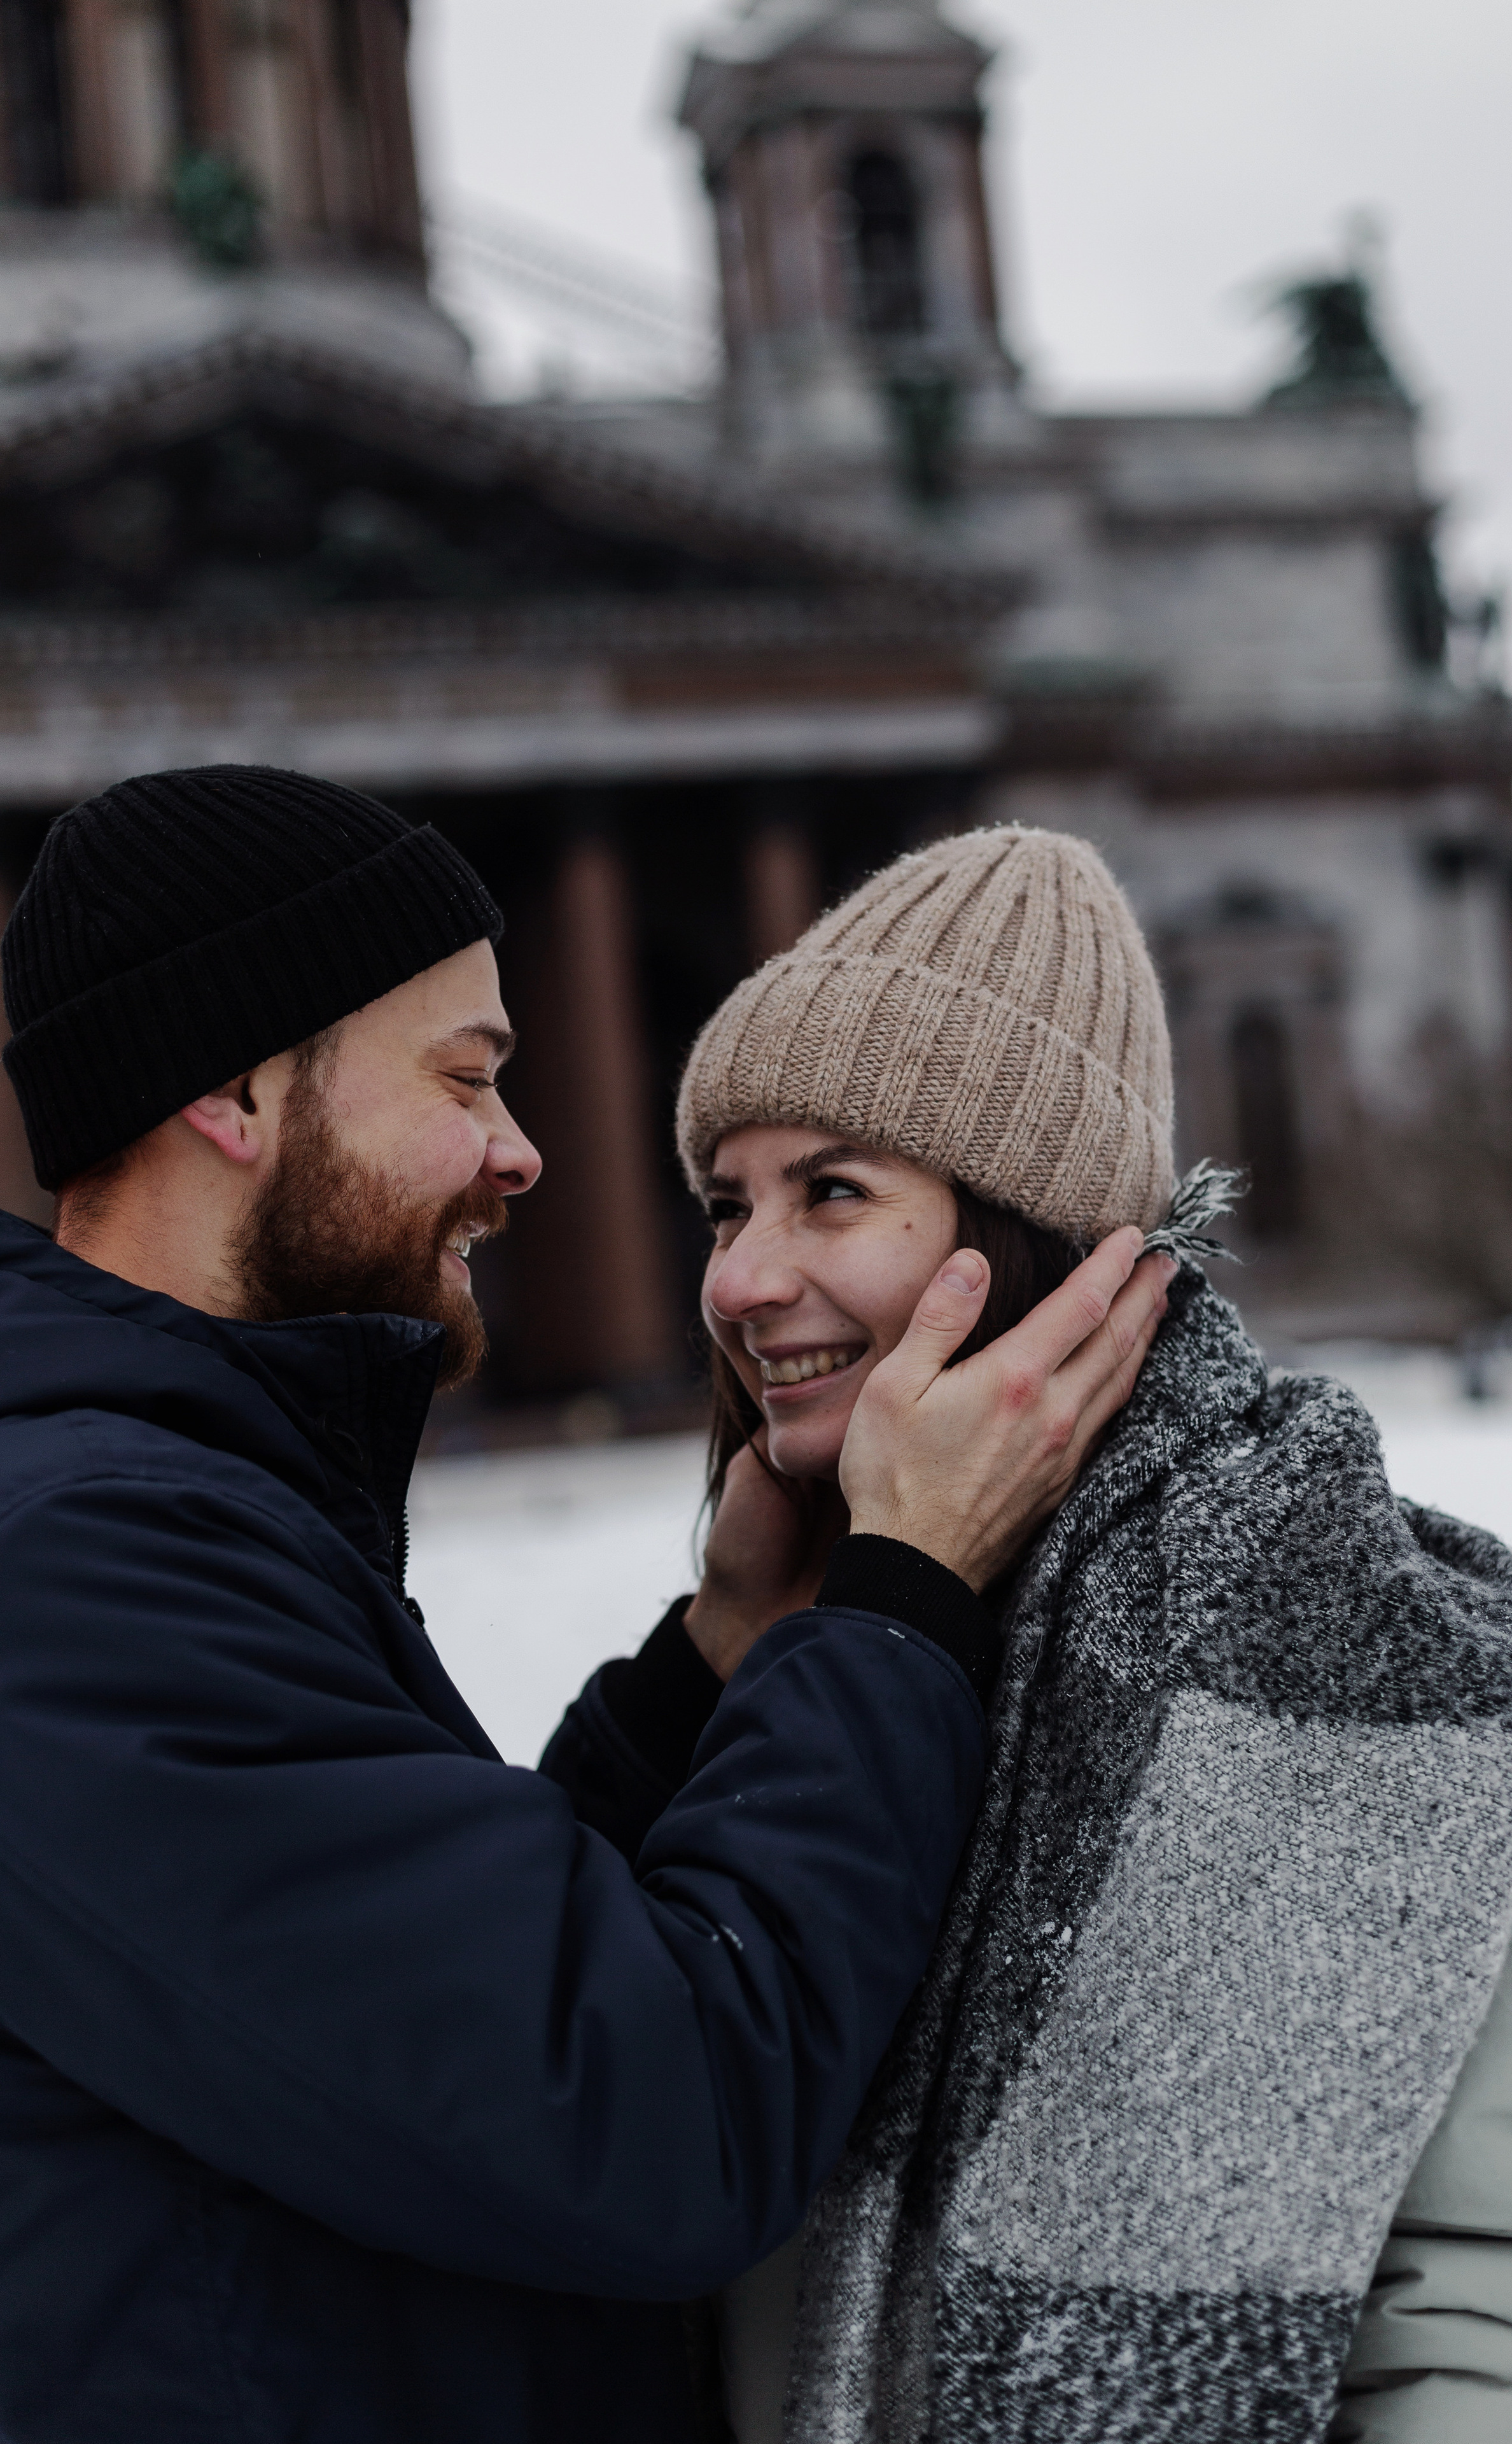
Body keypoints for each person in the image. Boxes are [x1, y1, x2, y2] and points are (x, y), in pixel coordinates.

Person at [0, 769, 1175, 2444]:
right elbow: (649, 2112)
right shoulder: (82, 1570)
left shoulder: (157, 1512)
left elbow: (422, 2008)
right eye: (466, 1079)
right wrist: (903, 1598)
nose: (525, 1151)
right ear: (239, 1096)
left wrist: (708, 1669)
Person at [672, 824, 1512, 2444]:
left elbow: (1486, 2330)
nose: (743, 1277)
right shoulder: (779, 1658)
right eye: (721, 1206)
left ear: (1035, 1232)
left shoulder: (1370, 1659)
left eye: (831, 1191)